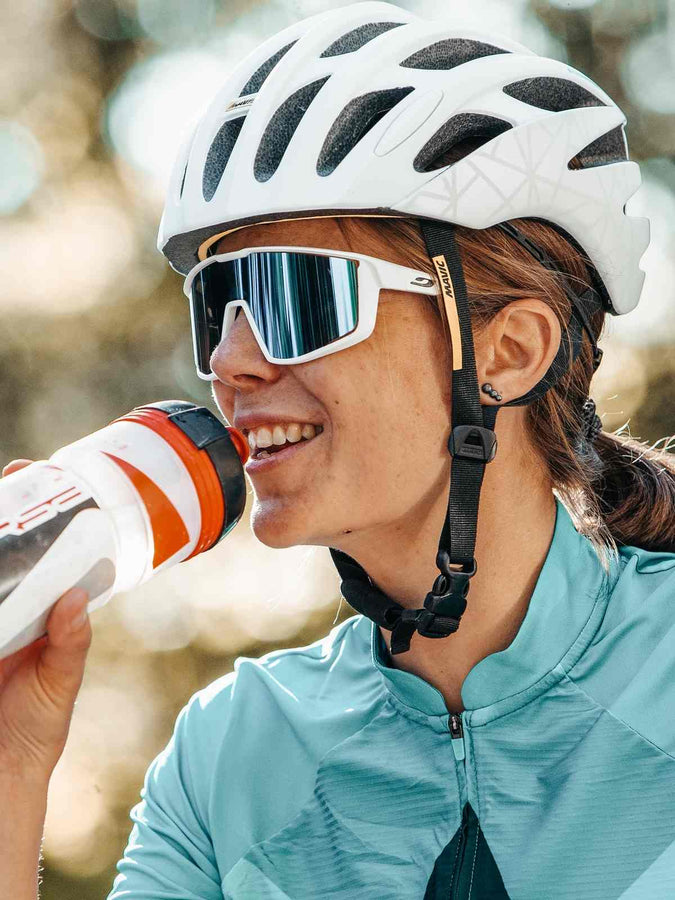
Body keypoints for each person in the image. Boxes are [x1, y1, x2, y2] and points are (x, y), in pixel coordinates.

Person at [2, 2, 675, 897]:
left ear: (509, 352)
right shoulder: (229, 755)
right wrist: (12, 773)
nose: (229, 362)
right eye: (217, 304)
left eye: (298, 296)